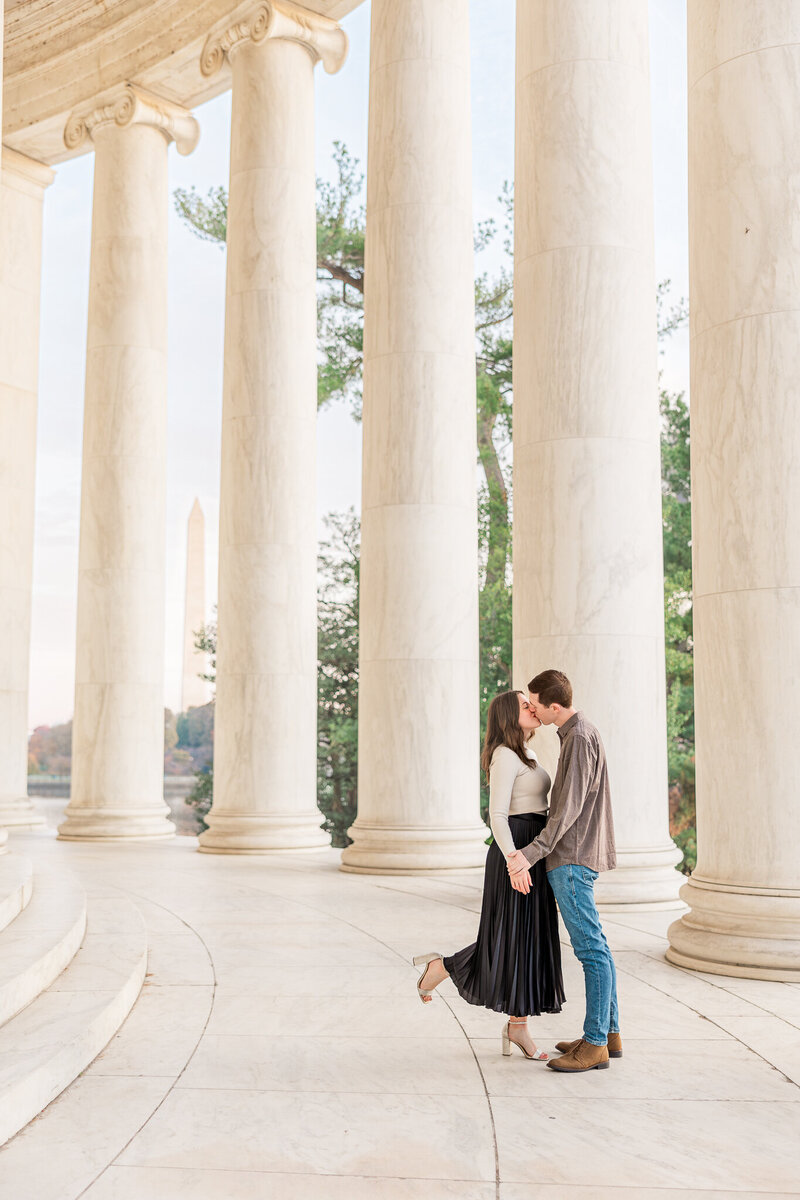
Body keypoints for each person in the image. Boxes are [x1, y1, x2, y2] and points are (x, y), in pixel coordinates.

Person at [413, 690, 565, 1060]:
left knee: (526, 940)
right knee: (508, 939)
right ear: (507, 717)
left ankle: (518, 1028)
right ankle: (442, 967)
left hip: (531, 850)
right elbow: (497, 815)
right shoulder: (503, 755)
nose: (532, 707)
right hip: (515, 852)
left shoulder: (527, 752)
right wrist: (515, 860)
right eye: (524, 705)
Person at [506, 669, 621, 1073]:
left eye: (536, 704)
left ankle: (594, 1045)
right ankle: (608, 1033)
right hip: (577, 854)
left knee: (591, 951)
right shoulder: (578, 733)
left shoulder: (579, 737)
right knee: (598, 947)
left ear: (555, 706)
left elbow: (567, 808)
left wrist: (532, 852)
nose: (532, 710)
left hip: (571, 858)